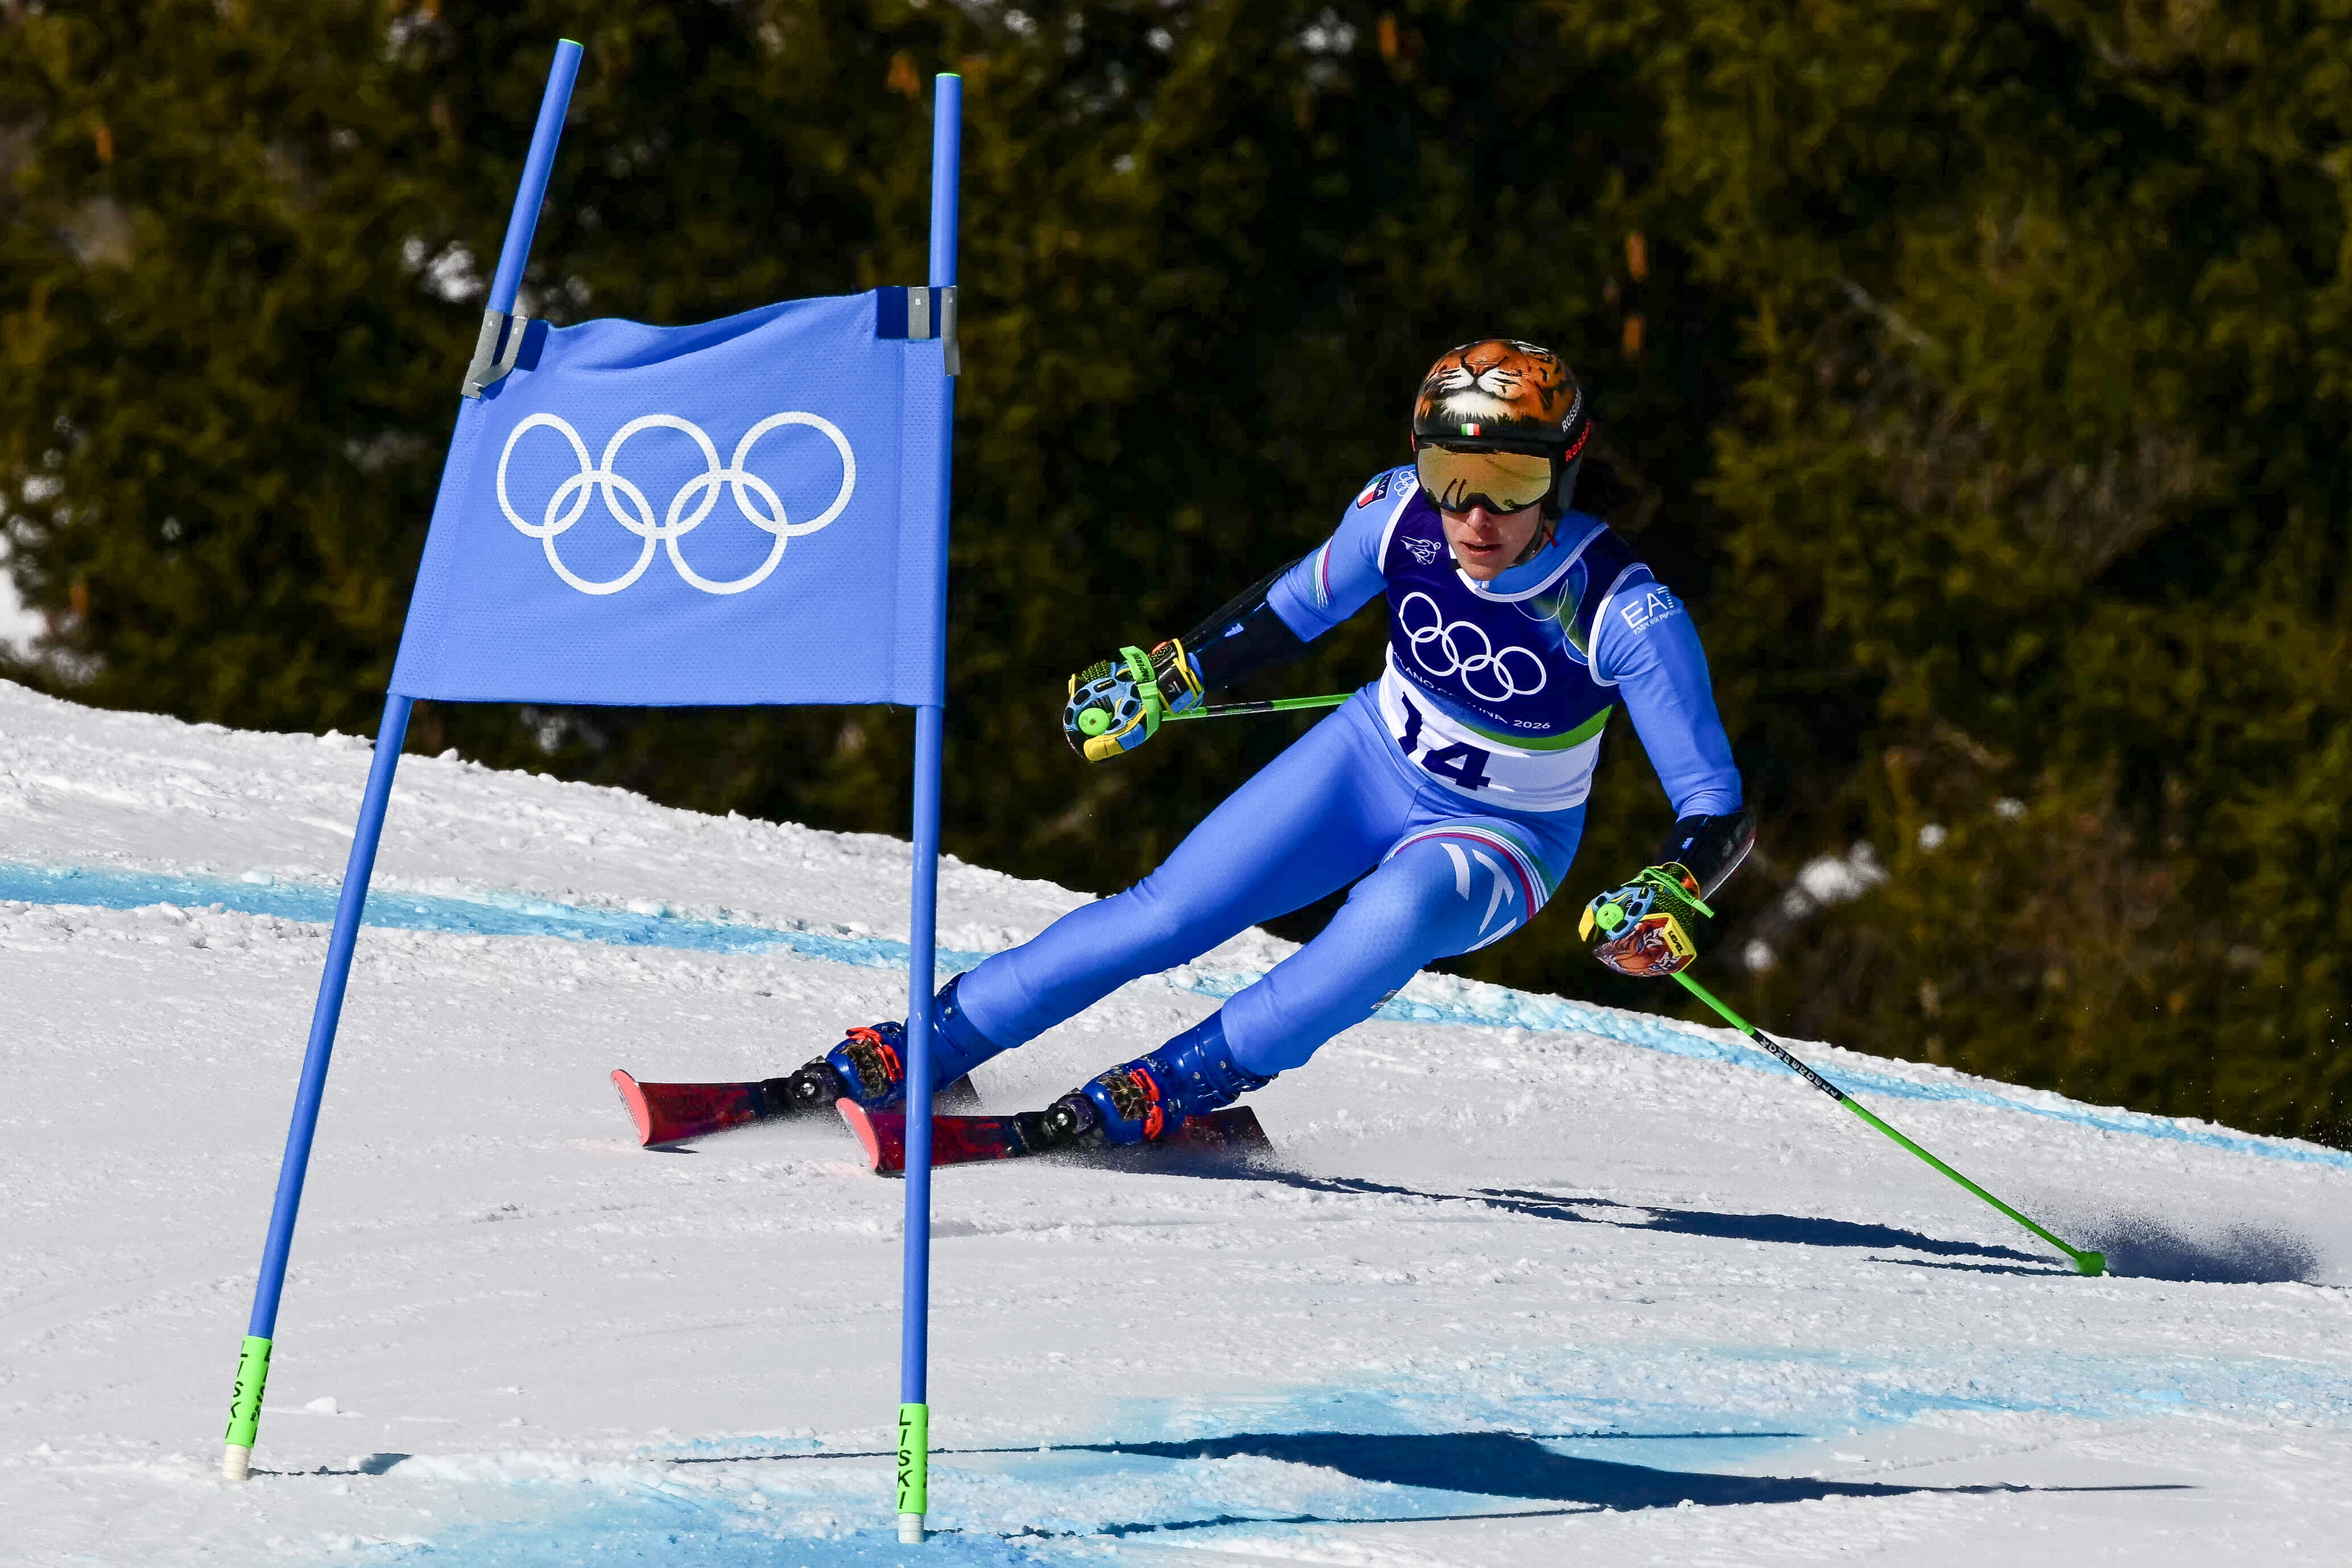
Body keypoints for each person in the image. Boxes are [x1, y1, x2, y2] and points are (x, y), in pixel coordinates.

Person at [780, 340, 1755, 1144]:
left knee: (1393, 913)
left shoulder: (1624, 608)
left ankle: (1173, 1083)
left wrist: (1671, 886)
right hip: (1369, 758)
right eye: (1450, 475)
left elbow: (1714, 800)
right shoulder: (1397, 519)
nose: (1473, 513)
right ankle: (935, 1044)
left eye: (1509, 481)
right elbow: (1293, 608)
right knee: (1167, 912)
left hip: (1502, 838)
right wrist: (1172, 677)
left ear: (1562, 474)